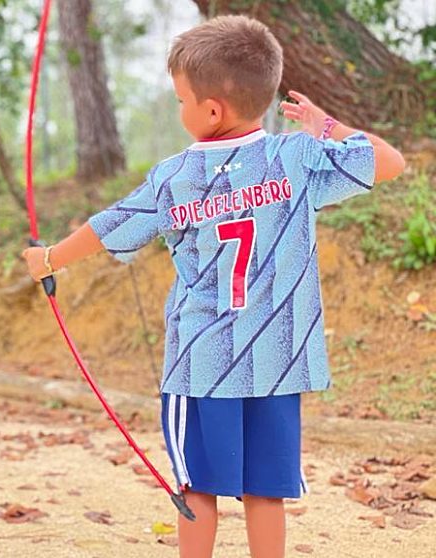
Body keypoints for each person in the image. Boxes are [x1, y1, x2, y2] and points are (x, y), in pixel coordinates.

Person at [22, 14, 405, 558]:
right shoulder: (296, 157)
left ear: (212, 110)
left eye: (181, 101)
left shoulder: (174, 177)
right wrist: (325, 125)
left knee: (196, 485)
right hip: (277, 363)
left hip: (203, 365)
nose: (180, 111)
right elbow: (389, 162)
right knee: (265, 489)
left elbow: (107, 227)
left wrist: (49, 258)